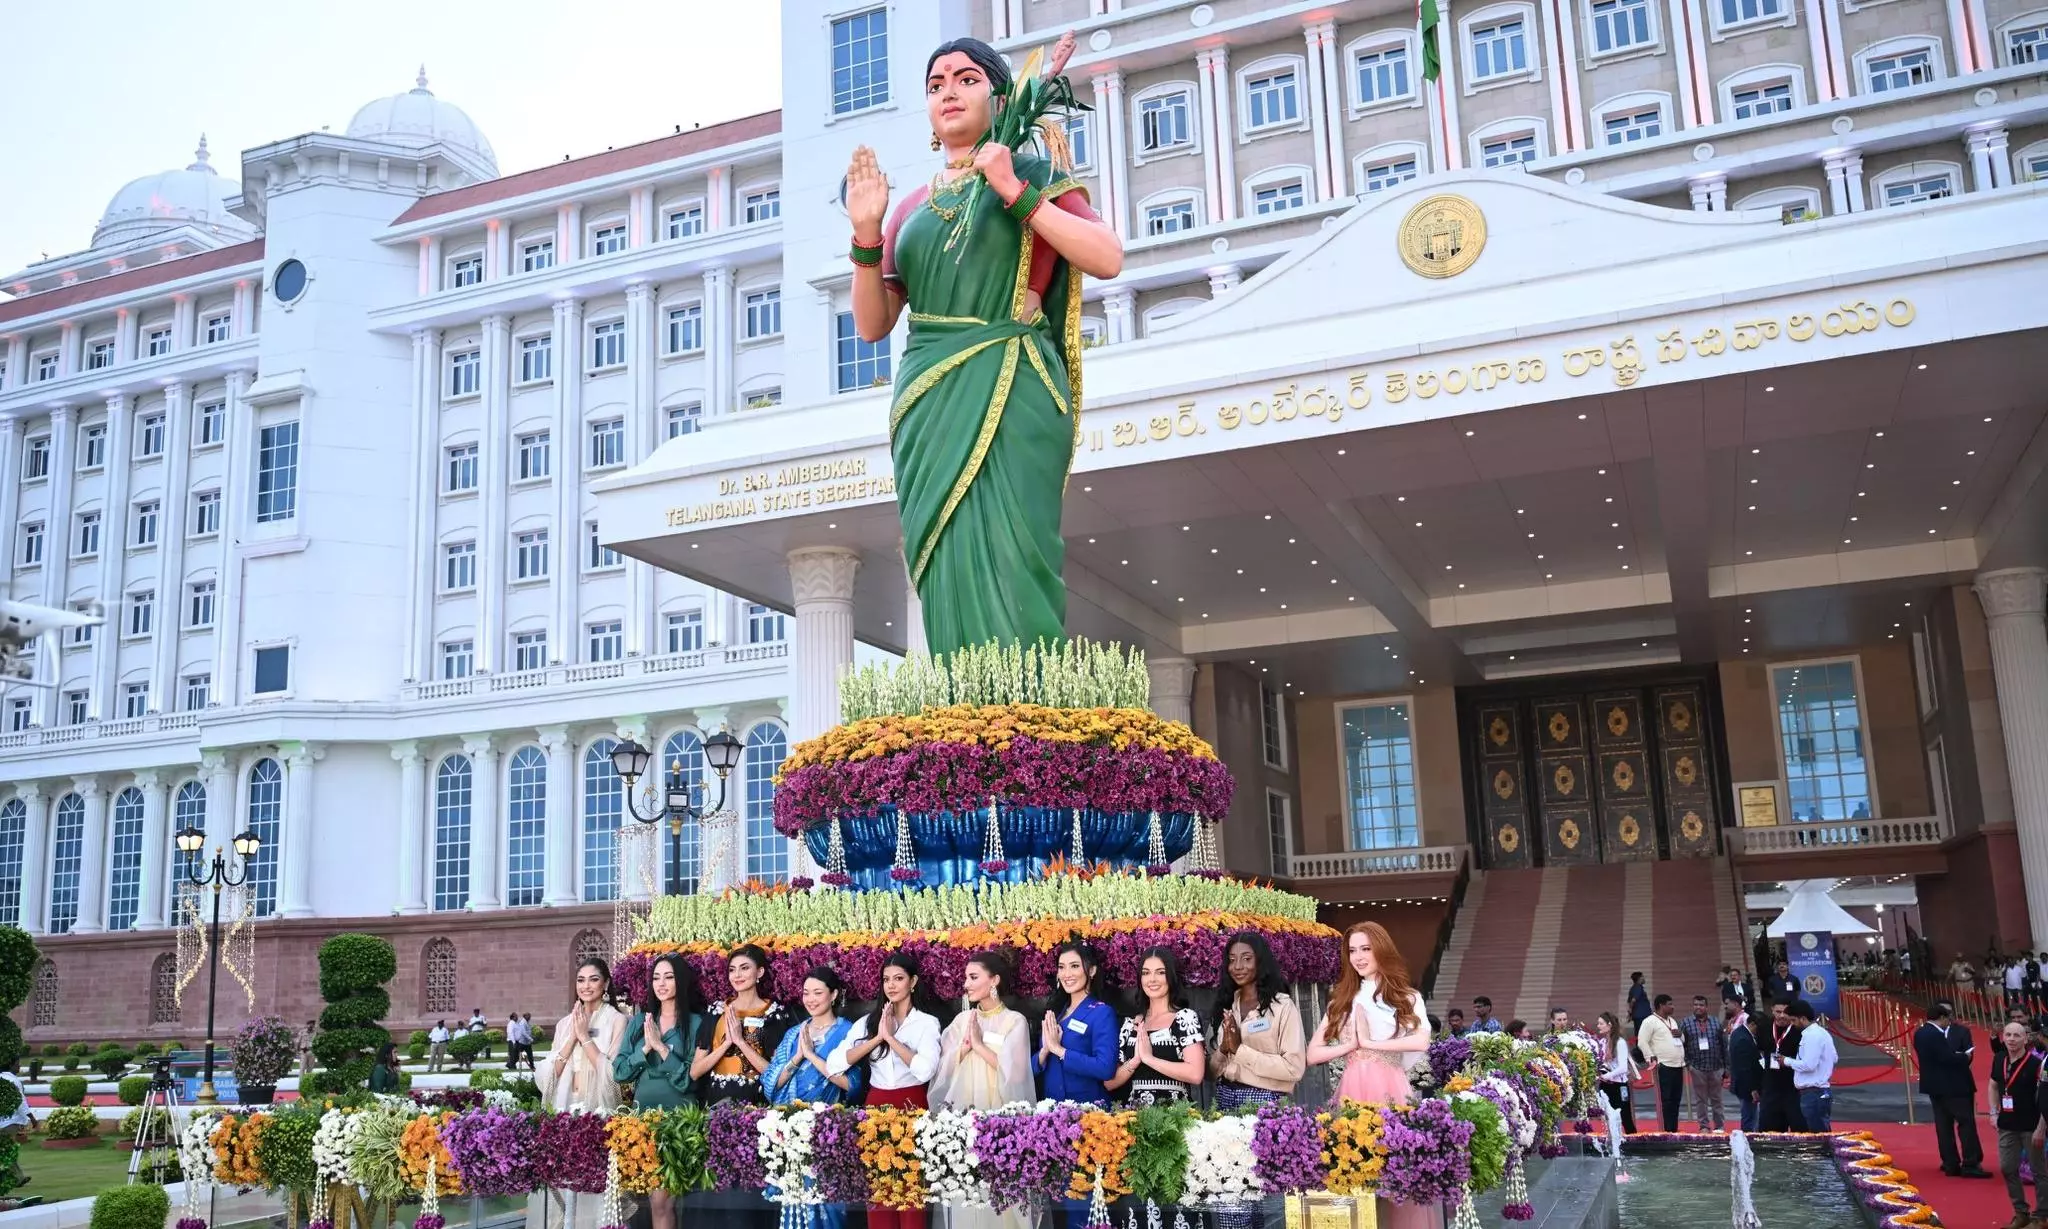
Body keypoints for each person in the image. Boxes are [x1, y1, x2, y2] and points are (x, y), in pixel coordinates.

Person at [842, 30, 1116, 655]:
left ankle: (1032, 722)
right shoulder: (911, 205)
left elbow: (1107, 257)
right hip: (929, 397)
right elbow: (873, 323)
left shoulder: (1031, 172)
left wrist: (1015, 193)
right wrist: (864, 232)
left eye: (967, 80)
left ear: (1000, 96)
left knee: (1017, 553)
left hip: (1012, 381)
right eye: (936, 86)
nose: (949, 93)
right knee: (943, 556)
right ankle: (961, 724)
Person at [1309, 922, 1438, 1229]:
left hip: (1390, 1087)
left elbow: (1421, 1040)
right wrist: (1351, 1045)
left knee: (1394, 1168)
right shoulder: (1342, 999)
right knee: (1352, 1166)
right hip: (1352, 1088)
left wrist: (1372, 1044)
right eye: (1353, 950)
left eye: (1366, 949)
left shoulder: (1406, 997)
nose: (1359, 957)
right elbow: (1312, 1054)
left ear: (1382, 949)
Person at [831, 952, 943, 1229]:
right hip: (877, 1105)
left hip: (912, 1103)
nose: (891, 985)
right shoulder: (868, 1023)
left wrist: (891, 1039)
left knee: (910, 1191)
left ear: (913, 982)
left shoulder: (927, 1023)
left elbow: (925, 1070)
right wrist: (877, 1038)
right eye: (886, 979)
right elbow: (834, 1064)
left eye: (898, 979)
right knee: (879, 1189)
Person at [934, 952, 1037, 1229]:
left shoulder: (1014, 1021)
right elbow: (941, 1072)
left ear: (995, 980)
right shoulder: (961, 1020)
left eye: (973, 977)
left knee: (1000, 1197)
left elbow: (1016, 1077)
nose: (966, 983)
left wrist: (979, 1046)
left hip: (999, 1122)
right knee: (967, 1189)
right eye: (966, 977)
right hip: (964, 1118)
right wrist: (964, 1049)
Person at [765, 967, 865, 1229]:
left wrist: (813, 1057)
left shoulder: (847, 1032)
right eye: (806, 993)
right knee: (794, 1206)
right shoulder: (793, 1034)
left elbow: (851, 1085)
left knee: (828, 1207)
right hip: (791, 1132)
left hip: (828, 1133)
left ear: (833, 995)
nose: (810, 999)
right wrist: (799, 1055)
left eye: (817, 993)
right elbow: (771, 1085)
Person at [1036, 940, 1119, 1229]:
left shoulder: (1101, 1012)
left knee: (1084, 1206)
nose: (1067, 973)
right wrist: (1046, 1051)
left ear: (1091, 970)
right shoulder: (1055, 1013)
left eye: (1074, 966)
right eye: (1061, 967)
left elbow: (1105, 1068)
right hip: (1055, 1123)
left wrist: (1061, 1051)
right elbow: (1036, 1065)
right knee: (1061, 1204)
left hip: (1088, 1123)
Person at [1210, 933, 1307, 1142]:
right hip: (1225, 1097)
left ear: (1260, 962)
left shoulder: (1282, 1007)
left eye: (1246, 958)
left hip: (1266, 1101)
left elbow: (1294, 1068)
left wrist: (1240, 1050)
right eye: (1232, 960)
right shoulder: (1228, 1005)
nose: (1238, 966)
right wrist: (1223, 1049)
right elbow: (1213, 1071)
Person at [691, 944, 794, 1107]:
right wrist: (726, 1044)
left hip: (758, 1108)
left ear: (759, 972)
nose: (737, 975)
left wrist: (740, 1042)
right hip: (716, 1105)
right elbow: (695, 1072)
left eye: (744, 968)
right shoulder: (716, 1012)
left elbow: (777, 1075)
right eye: (732, 970)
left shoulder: (774, 1014)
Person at [1108, 946, 1206, 1106]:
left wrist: (1149, 1059)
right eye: (1146, 973)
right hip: (1136, 1118)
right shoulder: (1130, 1024)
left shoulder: (1185, 1018)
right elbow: (1110, 1082)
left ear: (1171, 977)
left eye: (1160, 972)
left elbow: (1196, 1074)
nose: (1152, 979)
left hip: (1176, 1119)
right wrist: (1135, 1060)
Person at [539, 957, 627, 1113]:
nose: (586, 986)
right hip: (564, 1102)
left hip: (598, 1105)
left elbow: (614, 1075)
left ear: (605, 984)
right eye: (580, 980)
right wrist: (573, 1037)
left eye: (593, 980)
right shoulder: (564, 1024)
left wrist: (585, 1037)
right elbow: (548, 1076)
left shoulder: (617, 1020)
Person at [1915, 1000, 1990, 1177]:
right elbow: (1946, 1058)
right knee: (1965, 1123)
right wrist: (1963, 1057)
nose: (1950, 1021)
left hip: (1935, 1086)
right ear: (1941, 1017)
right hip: (1953, 1086)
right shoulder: (1934, 1034)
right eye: (1947, 1018)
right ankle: (1970, 1163)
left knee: (1943, 1125)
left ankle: (1951, 1163)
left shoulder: (1920, 1033)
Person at [1988, 1021, 2046, 1228]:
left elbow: (2044, 1098)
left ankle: (2041, 1216)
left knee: (2038, 1171)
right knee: (2007, 1168)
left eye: (2016, 1035)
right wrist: (1993, 1112)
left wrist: (2042, 1127)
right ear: (2003, 1036)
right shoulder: (2000, 1059)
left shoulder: (2036, 1064)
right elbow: (1993, 1085)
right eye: (2008, 1035)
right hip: (2006, 1124)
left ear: (2025, 1039)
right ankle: (2021, 1212)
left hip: (2031, 1126)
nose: (2011, 1039)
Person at [1784, 1000, 1837, 1132]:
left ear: (1802, 1018)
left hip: (1814, 1093)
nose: (1792, 1024)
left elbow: (1809, 1065)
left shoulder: (1812, 1036)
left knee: (1818, 1138)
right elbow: (1834, 1057)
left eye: (1793, 1020)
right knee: (1821, 1134)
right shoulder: (1821, 1033)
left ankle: (1824, 1153)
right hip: (1818, 1091)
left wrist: (1786, 1061)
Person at [1637, 994, 1686, 1132]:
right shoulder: (1649, 1021)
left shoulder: (1672, 1021)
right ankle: (1666, 1131)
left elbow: (1680, 1039)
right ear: (1661, 1006)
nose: (1673, 1007)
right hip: (1663, 1065)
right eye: (1670, 1004)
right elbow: (1642, 1041)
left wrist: (1680, 1034)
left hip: (1678, 1065)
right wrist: (1650, 1058)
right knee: (1666, 1101)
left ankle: (1673, 1130)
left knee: (1676, 1101)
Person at [1680, 995, 1728, 1133]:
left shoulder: (1715, 1022)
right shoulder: (1686, 1023)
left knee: (1717, 1099)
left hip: (1716, 1066)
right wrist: (1688, 1064)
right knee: (1701, 1099)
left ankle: (1719, 1125)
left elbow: (1723, 1045)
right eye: (1695, 1005)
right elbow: (1681, 1045)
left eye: (1701, 1005)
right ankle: (1704, 1126)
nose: (1698, 1007)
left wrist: (1726, 1067)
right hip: (1697, 1067)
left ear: (1706, 1007)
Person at [1759, 1001, 1807, 1132]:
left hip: (1793, 1088)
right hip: (1770, 1087)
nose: (1781, 1016)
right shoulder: (1764, 1028)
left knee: (1800, 1130)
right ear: (1772, 1010)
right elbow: (1758, 1053)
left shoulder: (1799, 1031)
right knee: (1770, 1131)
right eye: (1778, 1012)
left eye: (1785, 1012)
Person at [1593, 1012, 1638, 1135]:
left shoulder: (1620, 1042)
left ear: (1610, 1025)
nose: (1598, 1026)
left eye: (1601, 1023)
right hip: (1605, 1085)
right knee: (1609, 1118)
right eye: (1598, 1023)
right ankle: (1613, 1143)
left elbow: (1623, 1067)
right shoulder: (1602, 1042)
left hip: (1619, 1085)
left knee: (1625, 1117)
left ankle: (1633, 1144)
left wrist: (1606, 1075)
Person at [1727, 1010, 1765, 1134]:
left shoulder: (1739, 1033)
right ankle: (1748, 1140)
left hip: (1745, 1083)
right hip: (1746, 1086)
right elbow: (1745, 1068)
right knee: (1749, 1117)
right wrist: (1753, 1089)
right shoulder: (1743, 1038)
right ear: (1753, 1024)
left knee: (1751, 1115)